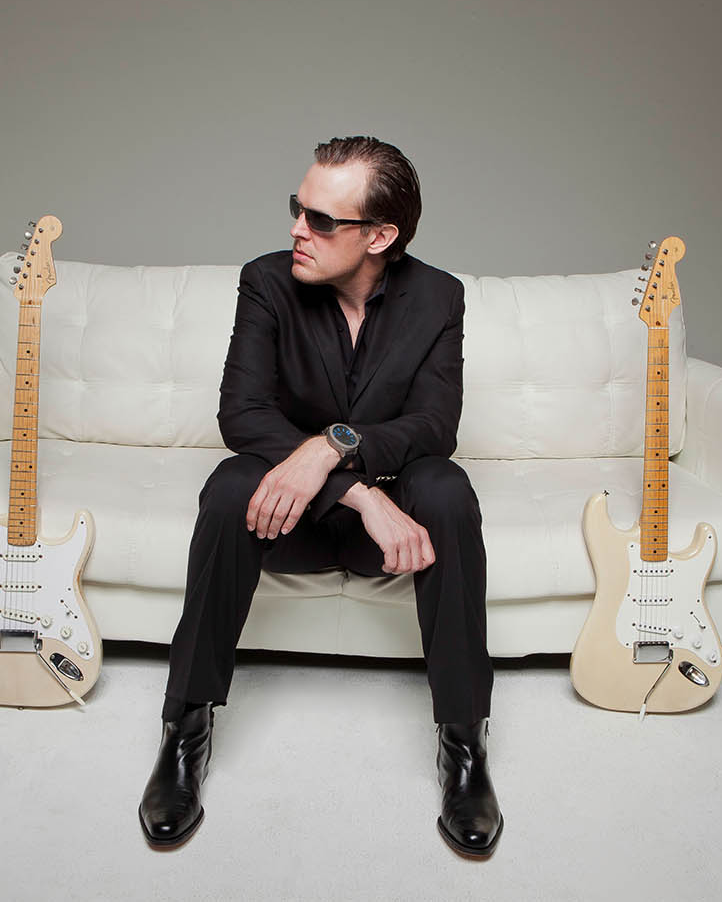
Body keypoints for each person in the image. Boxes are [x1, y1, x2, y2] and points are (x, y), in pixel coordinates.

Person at [138, 136, 502, 858]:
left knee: (446, 486)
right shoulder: (266, 282)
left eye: (321, 219)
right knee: (230, 483)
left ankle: (464, 743)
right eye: (297, 208)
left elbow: (435, 427)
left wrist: (332, 445)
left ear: (380, 236)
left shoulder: (439, 297)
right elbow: (242, 414)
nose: (297, 229)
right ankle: (185, 729)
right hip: (290, 520)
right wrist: (358, 493)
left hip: (394, 535)